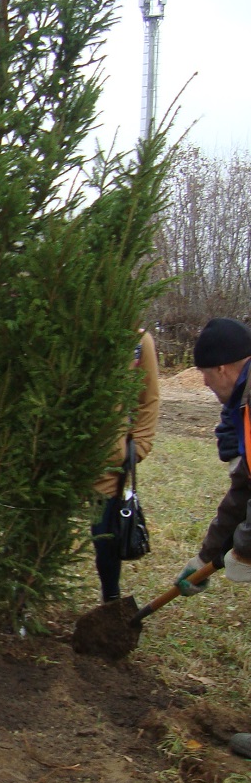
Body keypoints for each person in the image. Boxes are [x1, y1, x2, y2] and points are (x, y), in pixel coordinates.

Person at [175, 318, 251, 760]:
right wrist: (207, 557)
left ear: (222, 369)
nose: (205, 386)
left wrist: (243, 546)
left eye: (204, 377)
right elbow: (244, 487)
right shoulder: (243, 405)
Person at [90, 330, 159, 601]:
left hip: (107, 465)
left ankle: (111, 600)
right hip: (58, 456)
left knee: (105, 536)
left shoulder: (138, 341)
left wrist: (138, 446)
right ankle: (22, 606)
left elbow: (149, 397)